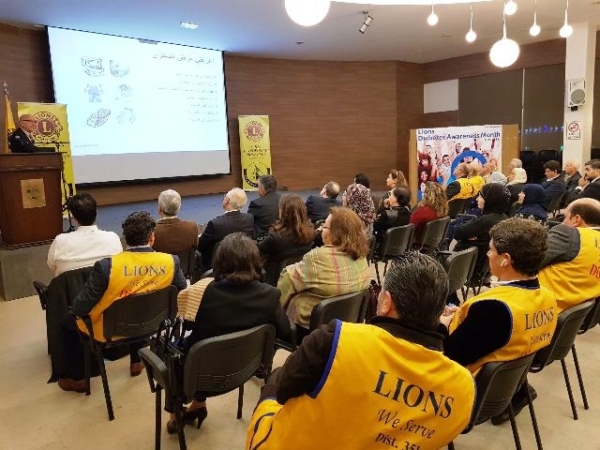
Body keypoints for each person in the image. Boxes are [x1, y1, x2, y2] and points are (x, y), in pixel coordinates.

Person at [246, 253, 476, 450]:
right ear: (440, 312)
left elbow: (284, 391)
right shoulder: (464, 389)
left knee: (275, 381)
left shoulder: (335, 340)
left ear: (386, 302)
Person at [170, 233, 292, 433]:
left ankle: (175, 415)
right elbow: (285, 331)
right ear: (255, 262)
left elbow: (188, 327)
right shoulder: (270, 295)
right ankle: (198, 405)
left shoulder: (200, 293)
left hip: (198, 377)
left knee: (171, 353)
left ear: (219, 262)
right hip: (245, 369)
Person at [441, 218, 558, 423]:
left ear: (506, 259)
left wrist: (442, 324)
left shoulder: (493, 310)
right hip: (504, 386)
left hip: (463, 391)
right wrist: (465, 318)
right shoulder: (548, 298)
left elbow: (450, 356)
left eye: (491, 250)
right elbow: (501, 334)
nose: (487, 254)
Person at [57, 211, 188, 392]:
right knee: (140, 305)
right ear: (152, 237)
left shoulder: (107, 266)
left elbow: (80, 307)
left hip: (111, 331)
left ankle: (78, 379)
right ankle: (136, 362)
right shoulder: (171, 261)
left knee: (66, 323)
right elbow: (182, 292)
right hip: (155, 324)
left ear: (125, 238)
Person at [278, 207, 371, 332]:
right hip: (346, 326)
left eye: (325, 227)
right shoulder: (361, 257)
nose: (321, 229)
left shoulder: (317, 258)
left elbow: (285, 284)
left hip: (309, 329)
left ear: (335, 234)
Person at [538, 198, 600, 312]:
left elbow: (529, 262)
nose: (562, 222)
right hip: (569, 316)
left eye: (565, 217)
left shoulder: (569, 234)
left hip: (535, 309)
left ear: (576, 219)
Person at [47, 193, 122, 277]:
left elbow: (52, 266)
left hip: (70, 285)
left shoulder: (60, 242)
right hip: (105, 285)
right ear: (96, 213)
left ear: (74, 218)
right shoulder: (113, 238)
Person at [258, 194, 315, 286]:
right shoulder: (311, 230)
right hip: (300, 274)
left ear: (283, 212)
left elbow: (257, 251)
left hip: (275, 279)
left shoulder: (276, 237)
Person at [198, 187, 254, 270]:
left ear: (227, 200)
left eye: (225, 196)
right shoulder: (249, 219)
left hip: (218, 266)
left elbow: (201, 246)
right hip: (242, 263)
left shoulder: (215, 224)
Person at [152, 189, 199, 255]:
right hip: (184, 262)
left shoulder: (151, 231)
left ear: (159, 209)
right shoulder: (192, 227)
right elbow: (195, 248)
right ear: (178, 208)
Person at [410, 182, 449, 248]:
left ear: (426, 195)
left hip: (417, 246)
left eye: (423, 193)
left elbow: (408, 230)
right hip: (434, 245)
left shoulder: (421, 212)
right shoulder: (443, 210)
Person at [373, 186, 411, 250]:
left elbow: (375, 226)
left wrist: (383, 207)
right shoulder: (408, 211)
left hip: (384, 248)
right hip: (400, 247)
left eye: (391, 195)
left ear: (395, 198)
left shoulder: (385, 215)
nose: (389, 197)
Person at [247, 174, 281, 239]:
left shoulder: (256, 203)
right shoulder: (283, 199)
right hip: (281, 236)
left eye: (258, 187)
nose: (257, 189)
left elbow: (248, 222)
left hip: (262, 239)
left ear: (262, 189)